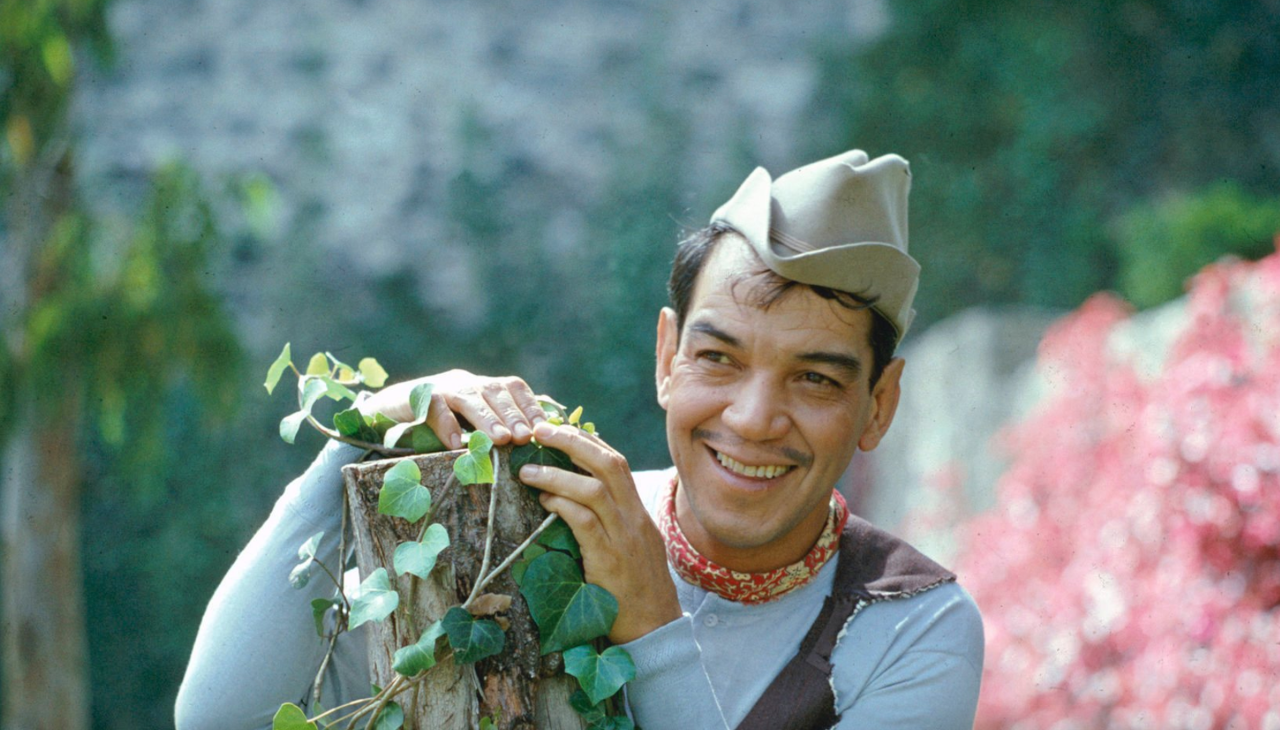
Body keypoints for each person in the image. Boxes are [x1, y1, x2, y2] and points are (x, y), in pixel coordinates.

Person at [175, 150, 984, 730]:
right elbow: (221, 715)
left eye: (815, 379)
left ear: (880, 403)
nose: (752, 418)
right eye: (718, 358)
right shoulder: (527, 528)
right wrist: (355, 442)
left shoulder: (912, 627)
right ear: (667, 357)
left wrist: (652, 625)